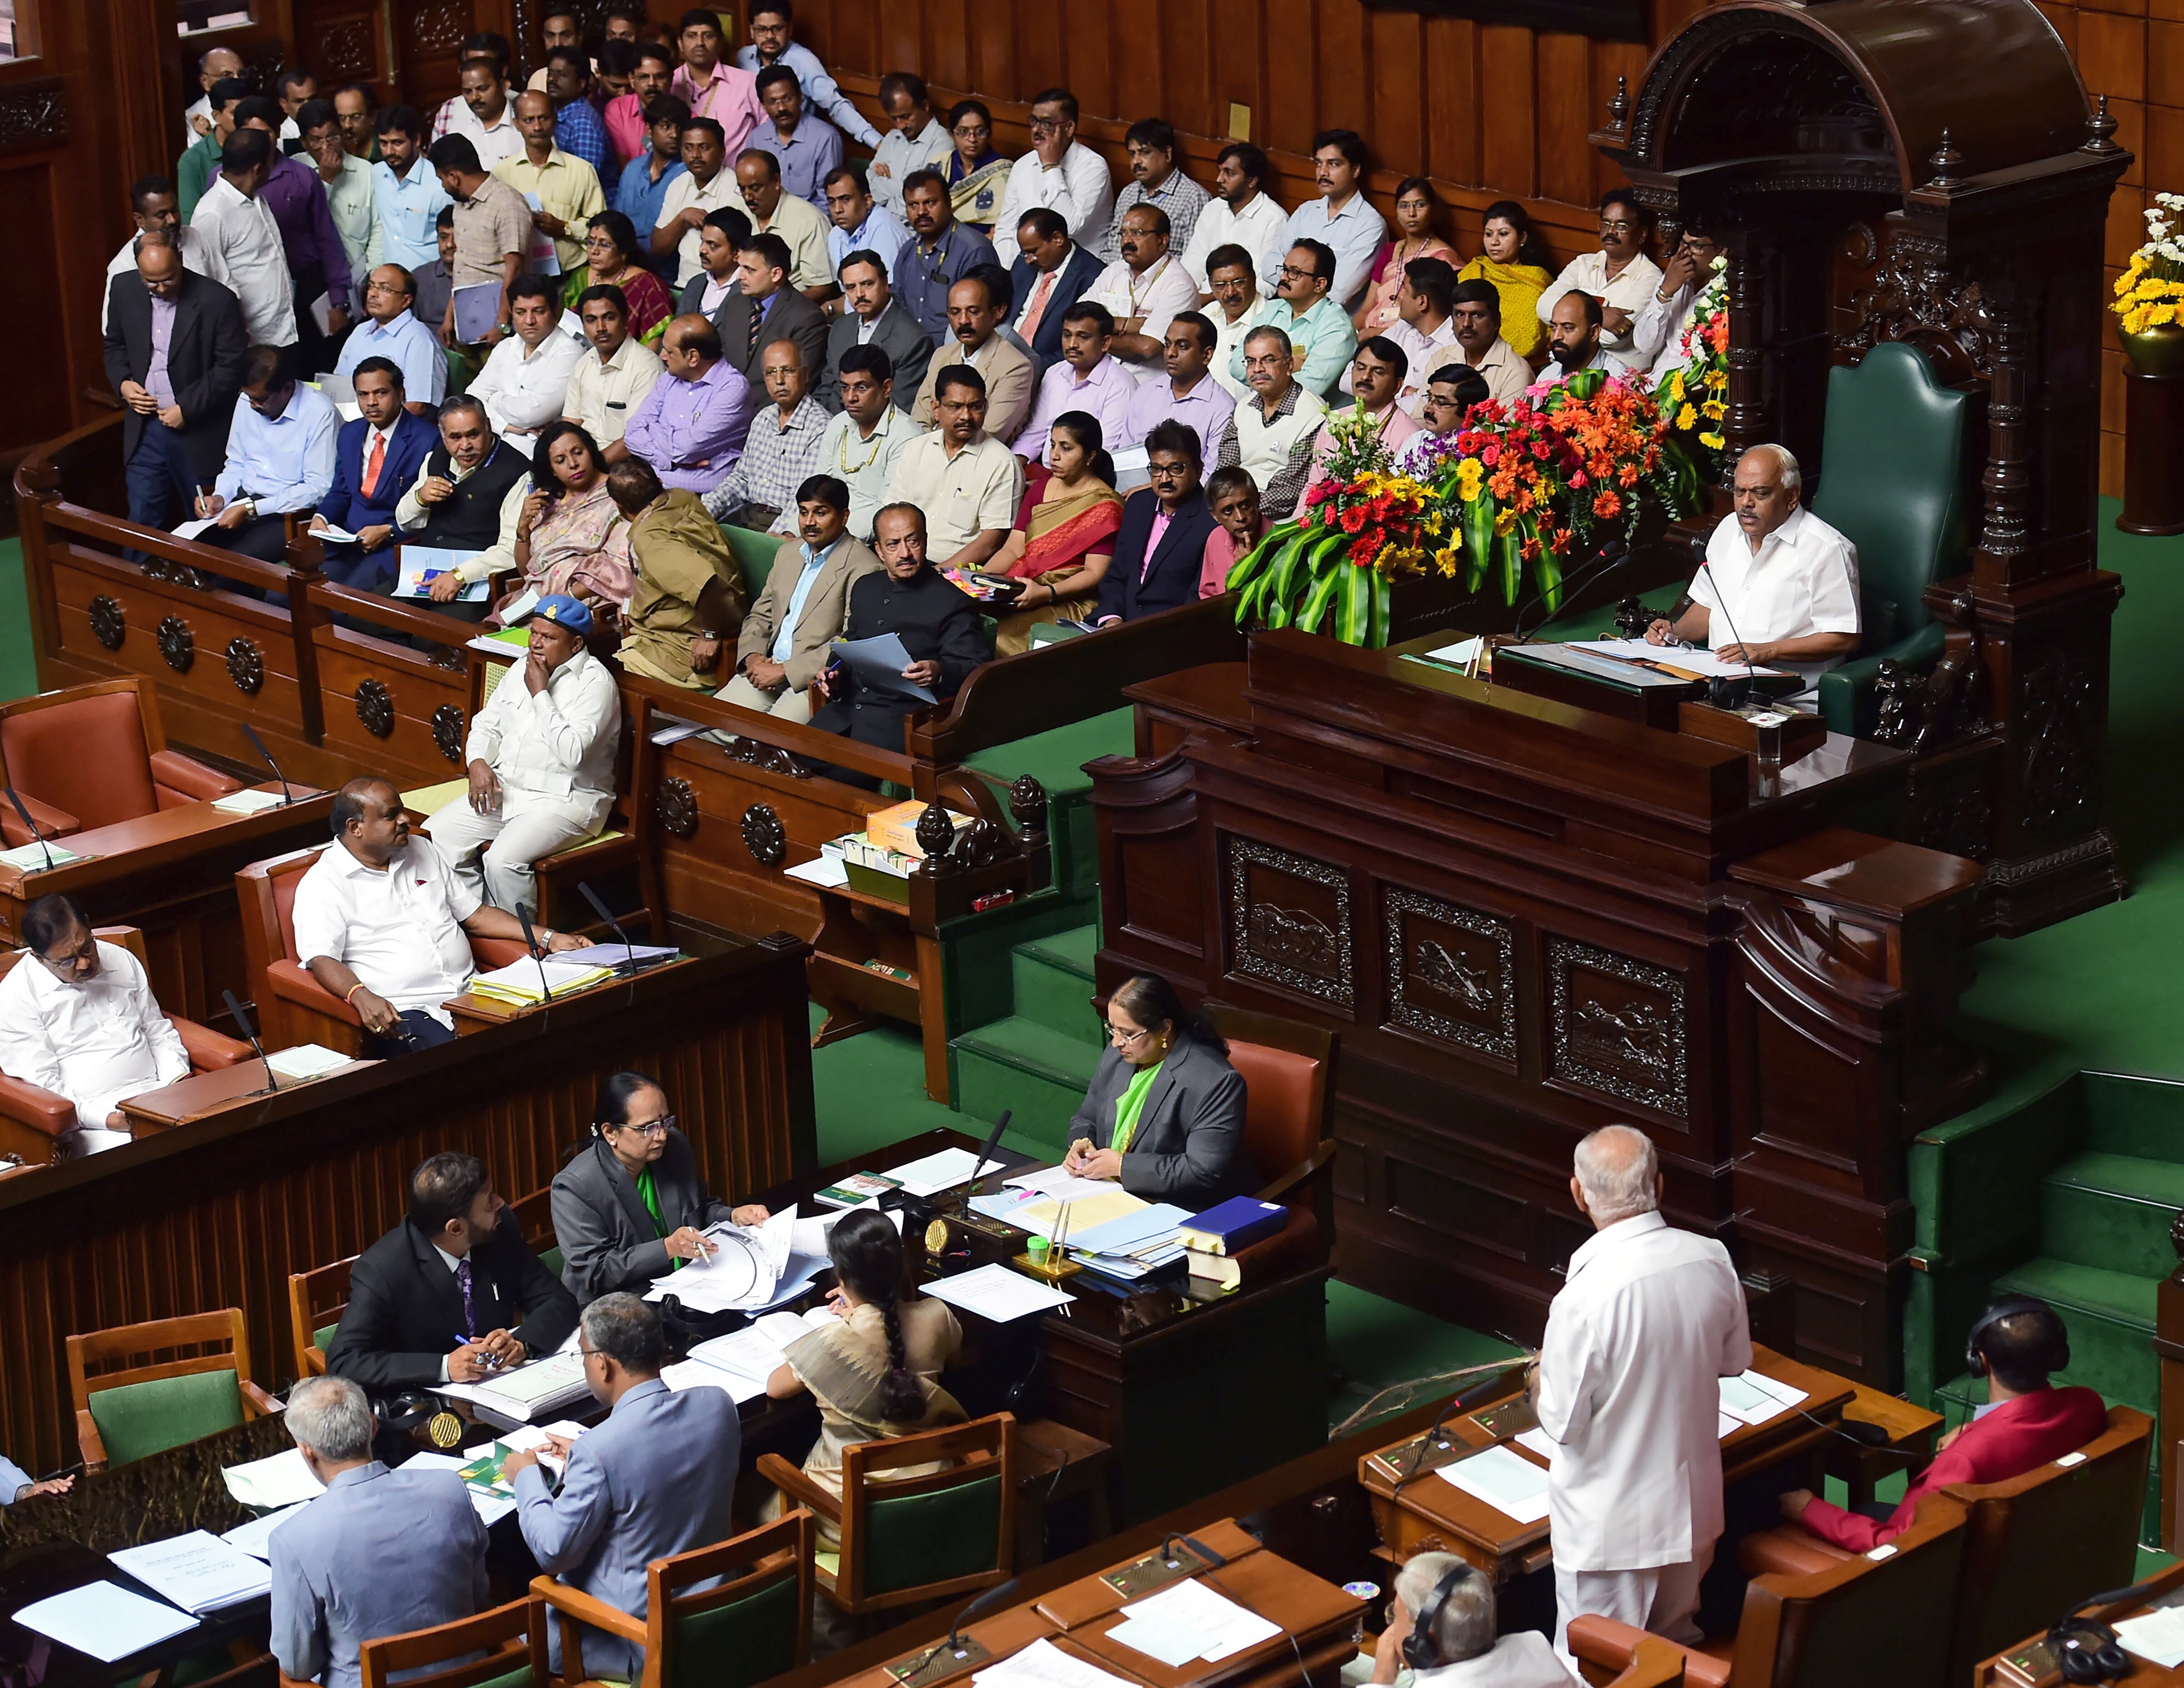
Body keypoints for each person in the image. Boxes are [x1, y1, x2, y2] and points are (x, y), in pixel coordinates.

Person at [1532, 1125, 1749, 1666]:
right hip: (1692, 1514)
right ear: (1659, 1183)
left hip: (1612, 1536)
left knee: (1595, 1669)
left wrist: (1536, 1378)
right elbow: (1734, 1360)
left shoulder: (1581, 1299)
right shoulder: (1711, 1257)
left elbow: (1562, 1421)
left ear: (1579, 1194)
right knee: (1676, 1657)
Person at [504, 1294, 738, 1679]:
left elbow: (552, 1552)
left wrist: (527, 1476)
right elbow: (660, 1459)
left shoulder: (602, 1451)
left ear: (603, 1364)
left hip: (636, 1638)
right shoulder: (717, 1404)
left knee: (520, 1642)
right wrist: (588, 1455)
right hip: (718, 1609)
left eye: (582, 1356)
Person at [1780, 1297, 2106, 1553]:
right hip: (2032, 1542)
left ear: (1980, 1361)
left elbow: (1899, 1544)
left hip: (1954, 1561)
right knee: (1866, 1506)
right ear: (2057, 1357)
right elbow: (2030, 1432)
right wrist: (1981, 1432)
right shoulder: (2088, 1404)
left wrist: (1808, 1510)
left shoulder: (1964, 1462)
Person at [295, 778, 585, 1056]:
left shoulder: (421, 849)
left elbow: (477, 915)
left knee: (556, 1028)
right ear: (355, 827)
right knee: (466, 1062)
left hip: (472, 992)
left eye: (402, 811)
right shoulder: (323, 883)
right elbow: (322, 958)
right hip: (406, 1011)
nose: (404, 820)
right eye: (390, 816)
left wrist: (550, 937)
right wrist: (359, 995)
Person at [268, 1376, 490, 1688]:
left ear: (308, 1452)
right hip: (473, 1677)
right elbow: (478, 1595)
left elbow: (297, 1663)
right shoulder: (449, 1487)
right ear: (374, 1426)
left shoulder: (292, 1540)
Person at [761, 1207, 966, 1542]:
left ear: (840, 1276)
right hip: (928, 1498)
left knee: (751, 1498)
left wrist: (852, 1321)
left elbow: (775, 1388)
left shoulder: (834, 1341)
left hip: (847, 1518)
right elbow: (955, 1357)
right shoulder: (938, 1316)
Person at [426, 594, 621, 914]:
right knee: (438, 837)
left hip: (565, 802)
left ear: (575, 645)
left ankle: (522, 946)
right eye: (534, 633)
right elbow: (486, 725)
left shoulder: (596, 684)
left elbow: (573, 755)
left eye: (548, 637)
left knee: (502, 862)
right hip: (509, 788)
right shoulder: (521, 667)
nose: (536, 644)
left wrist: (541, 693)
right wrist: (477, 762)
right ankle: (480, 924)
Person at [326, 1149, 581, 1386]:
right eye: (489, 1201)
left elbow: (557, 1300)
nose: (500, 1203)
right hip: (431, 1404)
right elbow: (344, 1360)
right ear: (456, 1228)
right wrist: (445, 1366)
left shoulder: (500, 1231)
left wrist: (521, 1343)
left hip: (505, 1384)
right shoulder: (384, 1269)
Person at [1644, 445, 1860, 696]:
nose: (1746, 503)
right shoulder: (1726, 531)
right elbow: (1709, 605)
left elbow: (1845, 637)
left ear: (1791, 498)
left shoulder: (1826, 549)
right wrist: (1674, 633)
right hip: (1717, 687)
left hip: (1790, 698)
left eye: (1760, 493)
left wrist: (1768, 650)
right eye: (1740, 492)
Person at [804, 502, 988, 784]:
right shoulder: (866, 587)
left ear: (925, 542)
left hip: (899, 724)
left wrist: (938, 671)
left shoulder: (952, 600)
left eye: (913, 541)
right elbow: (852, 644)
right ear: (879, 550)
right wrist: (835, 673)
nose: (905, 553)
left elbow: (976, 667)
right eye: (893, 545)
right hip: (843, 714)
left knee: (833, 780)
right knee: (784, 758)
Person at [551, 1071, 774, 1301]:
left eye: (665, 1122)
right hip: (619, 1306)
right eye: (647, 1128)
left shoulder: (674, 1149)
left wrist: (735, 1216)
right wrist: (668, 1248)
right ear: (611, 1133)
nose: (662, 1136)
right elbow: (597, 1272)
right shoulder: (575, 1187)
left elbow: (699, 1211)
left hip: (690, 1288)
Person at [0, 895, 189, 1156]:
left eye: (87, 947)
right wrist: (109, 1119)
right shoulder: (15, 998)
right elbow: (44, 1085)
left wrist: (176, 1085)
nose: (84, 963)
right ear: (39, 958)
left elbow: (157, 1030)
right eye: (67, 960)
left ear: (89, 926)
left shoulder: (120, 958)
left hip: (161, 1095)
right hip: (92, 1122)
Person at [1063, 972, 1250, 1207]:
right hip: (1106, 1194)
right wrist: (1081, 1144)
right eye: (1113, 1029)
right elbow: (1086, 1118)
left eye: (1128, 1034)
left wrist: (1121, 1167)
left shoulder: (1217, 1082)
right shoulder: (1117, 1057)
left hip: (1175, 1207)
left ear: (1164, 1030)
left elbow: (1201, 1171)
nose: (1116, 1043)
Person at [105, 232, 247, 534]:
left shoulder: (218, 301)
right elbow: (114, 345)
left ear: (181, 261)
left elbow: (230, 368)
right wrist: (123, 384)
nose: (159, 289)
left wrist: (187, 407)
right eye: (151, 281)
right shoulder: (123, 288)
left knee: (204, 522)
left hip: (197, 430)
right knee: (142, 516)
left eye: (168, 280)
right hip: (144, 428)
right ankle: (139, 581)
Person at [724, 474, 881, 718]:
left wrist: (786, 671)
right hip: (767, 667)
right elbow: (761, 615)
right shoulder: (788, 554)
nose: (810, 522)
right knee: (707, 726)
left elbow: (851, 642)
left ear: (844, 516)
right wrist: (753, 658)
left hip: (813, 681)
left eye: (821, 513)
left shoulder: (864, 567)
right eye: (803, 512)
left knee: (772, 745)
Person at [605, 456, 748, 687]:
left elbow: (706, 582)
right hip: (669, 624)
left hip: (682, 650)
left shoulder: (652, 539)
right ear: (660, 482)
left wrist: (710, 636)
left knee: (605, 679)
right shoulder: (681, 497)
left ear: (619, 506)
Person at [987, 412, 1122, 654]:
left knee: (1003, 637)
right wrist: (980, 581)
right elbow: (1014, 549)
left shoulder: (1105, 506)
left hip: (1066, 599)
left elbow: (1094, 573)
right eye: (1052, 445)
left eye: (1066, 448)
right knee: (971, 621)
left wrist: (1045, 594)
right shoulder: (1040, 489)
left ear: (1090, 456)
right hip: (1023, 586)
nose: (1054, 456)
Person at [194, 344, 339, 561]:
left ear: (287, 389)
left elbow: (317, 488)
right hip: (242, 501)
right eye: (249, 397)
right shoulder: (247, 400)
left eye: (261, 400)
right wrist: (220, 496)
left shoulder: (320, 414)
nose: (253, 405)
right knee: (190, 551)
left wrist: (252, 509)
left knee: (231, 563)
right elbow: (236, 461)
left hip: (286, 514)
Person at [310, 357, 435, 592]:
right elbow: (340, 490)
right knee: (288, 595)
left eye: (381, 393)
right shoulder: (350, 432)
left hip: (392, 547)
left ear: (400, 394)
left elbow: (431, 513)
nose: (371, 403)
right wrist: (323, 518)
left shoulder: (427, 439)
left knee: (343, 603)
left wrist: (388, 531)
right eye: (363, 395)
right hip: (347, 541)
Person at [886, 365, 1024, 571]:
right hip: (903, 562)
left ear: (986, 407)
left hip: (955, 573)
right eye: (955, 407)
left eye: (975, 407)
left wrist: (938, 574)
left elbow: (991, 541)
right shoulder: (916, 449)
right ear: (936, 408)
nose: (966, 416)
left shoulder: (1002, 463)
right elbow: (892, 512)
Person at [1369, 1553, 1574, 1688]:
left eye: (1396, 1616)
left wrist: (1381, 1681)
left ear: (1422, 1645)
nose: (1392, 1628)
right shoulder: (1535, 1647)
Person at [493, 421, 634, 613]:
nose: (573, 464)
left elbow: (620, 567)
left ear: (591, 451)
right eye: (561, 460)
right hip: (535, 602)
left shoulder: (617, 495)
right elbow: (526, 571)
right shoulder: (549, 503)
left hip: (582, 605)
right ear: (552, 470)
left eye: (578, 452)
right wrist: (523, 528)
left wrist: (564, 600)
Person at [395, 398, 534, 592]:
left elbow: (511, 549)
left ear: (488, 426)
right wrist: (420, 499)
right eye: (455, 437)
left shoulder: (517, 472)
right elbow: (405, 523)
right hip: (427, 568)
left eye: (473, 435)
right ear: (442, 434)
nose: (465, 445)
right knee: (368, 614)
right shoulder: (435, 459)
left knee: (438, 622)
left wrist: (460, 575)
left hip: (479, 580)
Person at [1093, 421, 1217, 627]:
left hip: (1169, 633)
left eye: (1176, 469)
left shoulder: (1211, 520)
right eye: (1157, 469)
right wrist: (1111, 618)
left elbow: (1197, 600)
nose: (1165, 478)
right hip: (1119, 627)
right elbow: (1117, 575)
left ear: (1199, 469)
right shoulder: (1138, 504)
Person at [622, 312, 756, 498]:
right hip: (653, 488)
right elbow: (632, 433)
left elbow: (686, 449)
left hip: (703, 498)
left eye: (669, 352)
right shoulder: (668, 378)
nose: (662, 356)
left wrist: (653, 429)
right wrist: (670, 462)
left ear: (693, 357)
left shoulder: (732, 388)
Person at [705, 337, 829, 532]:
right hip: (748, 514)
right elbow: (740, 479)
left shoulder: (820, 427)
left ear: (805, 375)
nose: (779, 381)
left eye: (787, 371)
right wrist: (705, 511)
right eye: (771, 373)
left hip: (784, 524)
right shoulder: (763, 418)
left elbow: (803, 500)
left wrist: (772, 538)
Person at [192, 129, 297, 353]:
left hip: (283, 331)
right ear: (259, 169)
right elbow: (205, 282)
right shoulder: (212, 214)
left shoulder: (256, 196)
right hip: (251, 344)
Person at [1537, 189, 1664, 374]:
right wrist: (1601, 314)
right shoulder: (1583, 264)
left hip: (1618, 381)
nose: (1610, 232)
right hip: (1564, 368)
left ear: (1642, 234)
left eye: (1621, 226)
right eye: (1606, 224)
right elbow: (1543, 307)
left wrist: (1574, 318)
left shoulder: (1650, 278)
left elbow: (1612, 338)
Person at [1265, 130, 1385, 310]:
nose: (1323, 172)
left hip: (1330, 323)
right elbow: (1269, 265)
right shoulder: (1306, 212)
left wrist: (1292, 282)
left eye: (1333, 164)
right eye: (1318, 164)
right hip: (1286, 311)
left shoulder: (1369, 224)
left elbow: (1339, 292)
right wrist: (1301, 284)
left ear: (1355, 170)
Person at [1296, 339, 1421, 514]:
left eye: (1378, 372)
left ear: (1397, 385)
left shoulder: (1409, 436)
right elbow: (1314, 484)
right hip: (1321, 521)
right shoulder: (1336, 419)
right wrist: (1299, 527)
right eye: (1361, 368)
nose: (1365, 377)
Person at [432, 136, 534, 347]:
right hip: (466, 323)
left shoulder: (507, 203)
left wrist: (501, 325)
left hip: (497, 329)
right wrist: (450, 317)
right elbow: (462, 264)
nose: (442, 185)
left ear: (454, 177)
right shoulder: (460, 205)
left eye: (441, 178)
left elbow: (514, 270)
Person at [910, 270, 1034, 444]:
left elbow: (986, 436)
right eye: (955, 312)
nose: (963, 321)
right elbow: (917, 422)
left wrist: (937, 429)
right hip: (929, 458)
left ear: (996, 313)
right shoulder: (942, 356)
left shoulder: (1016, 367)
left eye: (973, 312)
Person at [1215, 325, 1328, 514]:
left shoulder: (1313, 414)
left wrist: (1239, 510)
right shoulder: (1244, 406)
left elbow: (1291, 489)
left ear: (1289, 365)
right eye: (1251, 362)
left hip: (1278, 518)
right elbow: (1226, 467)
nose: (1258, 369)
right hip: (1235, 510)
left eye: (1268, 360)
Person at [737, 2, 880, 147]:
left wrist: (877, 142)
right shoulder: (743, 58)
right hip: (757, 144)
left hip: (797, 145)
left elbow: (835, 104)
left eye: (777, 28)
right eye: (762, 29)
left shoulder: (804, 61)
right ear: (752, 31)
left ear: (790, 29)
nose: (770, 36)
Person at [494, 90, 604, 278]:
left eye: (543, 118)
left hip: (573, 276)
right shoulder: (501, 175)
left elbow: (601, 229)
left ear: (555, 119)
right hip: (523, 279)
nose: (537, 127)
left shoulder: (582, 170)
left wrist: (564, 228)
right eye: (529, 120)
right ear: (517, 124)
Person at [469, 273, 585, 452]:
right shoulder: (505, 347)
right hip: (494, 448)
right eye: (521, 313)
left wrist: (494, 398)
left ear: (556, 311)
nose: (529, 321)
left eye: (538, 311)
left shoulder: (569, 354)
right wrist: (505, 426)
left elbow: (530, 414)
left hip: (536, 457)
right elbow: (472, 399)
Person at [102, 176, 228, 335]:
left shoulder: (195, 237)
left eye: (174, 210)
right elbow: (114, 331)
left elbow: (227, 286)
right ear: (140, 220)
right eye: (162, 215)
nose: (173, 220)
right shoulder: (124, 266)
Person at [1084, 204, 1195, 383]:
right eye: (1124, 233)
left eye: (1138, 233)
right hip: (1096, 374)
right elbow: (1077, 320)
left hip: (1143, 386)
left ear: (1163, 241)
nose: (1127, 240)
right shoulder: (1114, 271)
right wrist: (1131, 325)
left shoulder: (1179, 285)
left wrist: (1091, 337)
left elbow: (1147, 348)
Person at [997, 88, 1113, 257]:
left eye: (1046, 123)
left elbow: (1070, 227)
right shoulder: (1023, 165)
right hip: (1031, 265)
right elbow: (1006, 228)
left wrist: (1051, 167)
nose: (1036, 130)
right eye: (1034, 121)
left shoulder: (1094, 167)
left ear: (1069, 128)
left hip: (1078, 268)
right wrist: (1005, 272)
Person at [1237, 238, 1357, 399]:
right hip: (1264, 404)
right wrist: (1287, 366)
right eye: (1285, 269)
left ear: (1319, 285)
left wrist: (1261, 371)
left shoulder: (1337, 327)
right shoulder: (1272, 309)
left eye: (1295, 273)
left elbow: (1312, 386)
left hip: (1313, 418)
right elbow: (1236, 364)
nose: (1284, 278)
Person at [1015, 302, 1134, 464]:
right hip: (1044, 471)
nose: (1072, 345)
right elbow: (1036, 430)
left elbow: (1104, 452)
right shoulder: (1055, 373)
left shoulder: (1121, 386)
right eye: (1067, 335)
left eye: (1083, 337)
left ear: (1105, 343)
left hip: (1084, 479)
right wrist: (1014, 467)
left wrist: (1051, 485)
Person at [814, 346, 914, 539]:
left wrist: (829, 537)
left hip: (865, 544)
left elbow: (886, 513)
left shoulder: (906, 436)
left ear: (886, 388)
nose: (850, 398)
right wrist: (791, 533)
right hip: (824, 534)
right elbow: (817, 492)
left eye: (861, 388)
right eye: (845, 388)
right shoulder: (838, 423)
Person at [895, 168, 998, 344]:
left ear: (949, 202)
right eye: (913, 205)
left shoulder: (974, 250)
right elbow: (898, 305)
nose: (921, 212)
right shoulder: (908, 250)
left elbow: (984, 320)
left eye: (930, 203)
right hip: (910, 353)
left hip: (955, 354)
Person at [1119, 311, 1234, 466]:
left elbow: (1212, 476)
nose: (1171, 353)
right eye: (1167, 345)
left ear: (1206, 355)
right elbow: (1124, 459)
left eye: (1183, 347)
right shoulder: (1146, 393)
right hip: (1133, 489)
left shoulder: (1222, 408)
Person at [820, 250, 930, 413]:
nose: (859, 294)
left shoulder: (913, 340)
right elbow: (827, 390)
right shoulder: (840, 329)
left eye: (867, 284)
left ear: (886, 283)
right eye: (851, 288)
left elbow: (899, 409)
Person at [565, 284, 665, 458]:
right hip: (582, 461)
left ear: (626, 320)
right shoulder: (583, 363)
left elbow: (634, 440)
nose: (601, 328)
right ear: (583, 326)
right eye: (591, 320)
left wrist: (593, 469)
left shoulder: (647, 367)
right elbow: (570, 424)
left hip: (624, 463)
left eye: (609, 318)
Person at [716, 231, 829, 384]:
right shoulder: (735, 305)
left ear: (776, 274)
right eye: (740, 268)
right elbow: (719, 363)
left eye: (750, 270)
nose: (740, 276)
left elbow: (799, 384)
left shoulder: (807, 317)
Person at [335, 263, 446, 413]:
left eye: (385, 289)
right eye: (371, 286)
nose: (373, 294)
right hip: (351, 422)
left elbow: (418, 407)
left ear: (406, 301)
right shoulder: (360, 331)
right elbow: (337, 385)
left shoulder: (418, 339)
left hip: (390, 431)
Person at [1182, 142, 1286, 300]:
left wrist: (1213, 298)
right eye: (1220, 172)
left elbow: (1267, 283)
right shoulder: (1213, 209)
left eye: (1229, 173)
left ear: (1252, 181)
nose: (1219, 179)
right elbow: (1194, 261)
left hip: (1241, 303)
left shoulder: (1275, 219)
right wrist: (1183, 294)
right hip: (1200, 300)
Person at [730, 146, 835, 299]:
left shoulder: (810, 221)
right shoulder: (738, 210)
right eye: (742, 189)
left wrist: (779, 309)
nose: (748, 197)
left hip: (787, 311)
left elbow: (822, 287)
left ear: (776, 181)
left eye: (755, 188)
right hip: (740, 301)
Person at [1008, 208, 1104, 373]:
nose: (1028, 260)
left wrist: (1030, 368)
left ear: (1057, 239)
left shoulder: (1093, 275)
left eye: (1033, 252)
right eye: (1024, 253)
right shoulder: (1023, 263)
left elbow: (1084, 343)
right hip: (1002, 356)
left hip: (1048, 369)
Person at [652, 119, 745, 291]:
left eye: (704, 148)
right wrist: (682, 219)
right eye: (688, 148)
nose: (695, 155)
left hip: (725, 289)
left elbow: (741, 254)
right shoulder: (678, 184)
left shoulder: (736, 189)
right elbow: (658, 248)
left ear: (722, 152)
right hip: (684, 287)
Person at [1356, 178, 1456, 336]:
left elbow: (1434, 320)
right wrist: (1350, 334)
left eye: (1420, 205)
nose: (1412, 213)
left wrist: (1379, 334)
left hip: (1409, 337)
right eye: (1404, 206)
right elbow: (1366, 308)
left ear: (1433, 209)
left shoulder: (1444, 257)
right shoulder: (1390, 251)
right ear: (1396, 210)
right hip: (1368, 332)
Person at [562, 210, 674, 349]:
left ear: (623, 252)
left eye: (604, 245)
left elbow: (652, 348)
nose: (594, 251)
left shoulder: (648, 286)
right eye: (591, 243)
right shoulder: (581, 277)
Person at [300, 100, 384, 284]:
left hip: (360, 275)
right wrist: (325, 181)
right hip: (314, 279)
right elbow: (304, 224)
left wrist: (373, 276)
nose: (326, 147)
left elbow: (379, 229)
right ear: (304, 143)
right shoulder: (296, 171)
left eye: (332, 137)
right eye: (316, 140)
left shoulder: (366, 171)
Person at [612, 81, 688, 278]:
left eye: (680, 128)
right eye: (666, 127)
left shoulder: (688, 175)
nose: (674, 135)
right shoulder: (633, 169)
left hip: (669, 275)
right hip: (627, 270)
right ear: (648, 130)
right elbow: (618, 222)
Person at [1364, 258, 1456, 416]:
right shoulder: (1401, 328)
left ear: (1422, 302)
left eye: (1405, 290)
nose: (1398, 297)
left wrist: (1382, 392)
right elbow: (1348, 379)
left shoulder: (1455, 346)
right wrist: (1405, 391)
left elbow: (1424, 408)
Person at [1107, 118, 1209, 261]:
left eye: (1145, 153)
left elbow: (1193, 262)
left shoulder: (1194, 198)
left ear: (1167, 154)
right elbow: (1111, 249)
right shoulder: (1128, 193)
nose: (1136, 161)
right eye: (1132, 154)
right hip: (1119, 278)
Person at [670, 7, 764, 158]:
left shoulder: (747, 83)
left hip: (738, 179)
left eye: (708, 36)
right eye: (692, 36)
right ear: (680, 44)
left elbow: (770, 135)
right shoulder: (670, 84)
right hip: (683, 179)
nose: (700, 43)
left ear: (720, 43)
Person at [1634, 227, 1724, 384]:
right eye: (1684, 243)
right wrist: (1665, 292)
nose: (1687, 253)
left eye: (1697, 246)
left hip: (1689, 393)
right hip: (1654, 383)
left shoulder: (1727, 295)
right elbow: (1644, 345)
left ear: (1722, 250)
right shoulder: (1675, 277)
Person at [371, 107, 453, 276]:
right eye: (384, 143)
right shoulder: (377, 174)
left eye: (397, 143)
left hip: (429, 283)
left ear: (416, 140)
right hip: (390, 283)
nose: (390, 152)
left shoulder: (438, 184)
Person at [750, 66, 841, 214]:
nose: (781, 108)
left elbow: (829, 201)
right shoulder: (756, 139)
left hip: (809, 224)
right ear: (763, 106)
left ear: (800, 97)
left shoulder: (825, 138)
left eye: (787, 99)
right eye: (773, 102)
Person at [1431, 279, 1528, 406]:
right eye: (1460, 314)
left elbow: (1506, 427)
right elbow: (1420, 418)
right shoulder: (1441, 359)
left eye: (1477, 315)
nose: (1466, 324)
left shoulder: (1515, 373)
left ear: (1497, 321)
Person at [869, 73, 950, 219]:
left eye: (906, 117)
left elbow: (923, 200)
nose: (900, 126)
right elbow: (870, 181)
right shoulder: (893, 138)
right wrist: (902, 189)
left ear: (925, 107)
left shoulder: (942, 145)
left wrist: (885, 183)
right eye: (894, 119)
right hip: (879, 223)